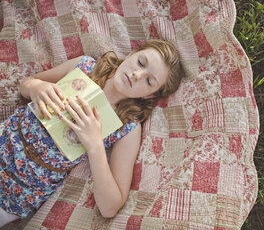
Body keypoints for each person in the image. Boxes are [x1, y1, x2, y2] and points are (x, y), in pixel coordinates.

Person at [0, 39, 183, 227]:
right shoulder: (85, 66)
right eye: (141, 62)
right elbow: (26, 84)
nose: (137, 74)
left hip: (18, 192)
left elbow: (109, 207)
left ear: (150, 95)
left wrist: (95, 145)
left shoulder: (127, 127)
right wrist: (36, 87)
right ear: (131, 54)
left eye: (149, 80)